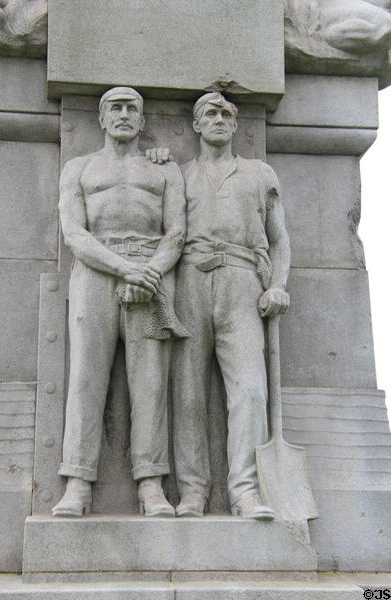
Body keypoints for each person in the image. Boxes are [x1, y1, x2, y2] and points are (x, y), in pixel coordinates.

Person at [52, 87, 187, 518]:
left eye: (133, 108)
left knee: (150, 382)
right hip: (96, 271)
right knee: (86, 377)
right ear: (102, 118)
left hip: (151, 273)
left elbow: (177, 233)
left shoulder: (165, 170)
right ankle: (77, 482)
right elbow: (74, 233)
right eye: (116, 107)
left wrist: (149, 271)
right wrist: (123, 268)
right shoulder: (80, 168)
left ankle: (151, 485)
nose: (125, 114)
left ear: (143, 121)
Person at [171, 92, 291, 519]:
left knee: (250, 391)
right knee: (188, 391)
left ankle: (244, 491)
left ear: (236, 125)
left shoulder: (259, 173)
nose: (219, 119)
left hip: (243, 281)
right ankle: (193, 491)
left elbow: (279, 238)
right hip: (189, 279)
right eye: (210, 114)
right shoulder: (178, 174)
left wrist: (277, 284)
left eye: (226, 113)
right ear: (197, 126)